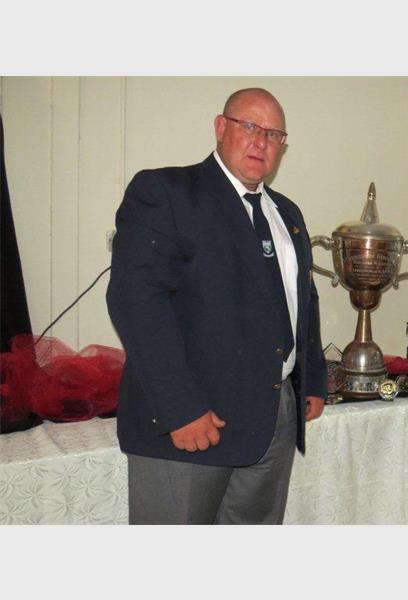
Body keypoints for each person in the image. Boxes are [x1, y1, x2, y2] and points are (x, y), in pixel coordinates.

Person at [107, 88, 327, 524]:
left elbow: (303, 298)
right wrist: (180, 409)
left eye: (274, 134)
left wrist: (312, 379)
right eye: (250, 126)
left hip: (274, 418)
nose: (261, 141)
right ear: (221, 127)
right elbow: (137, 302)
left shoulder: (287, 213)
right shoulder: (166, 192)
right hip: (193, 421)